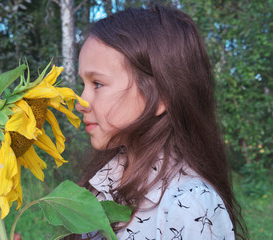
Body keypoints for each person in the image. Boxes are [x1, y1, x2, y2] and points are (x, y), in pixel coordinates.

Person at [73, 4, 247, 240]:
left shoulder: (188, 204)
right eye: (83, 84)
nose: (80, 102)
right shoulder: (103, 182)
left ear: (160, 97)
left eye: (98, 84)